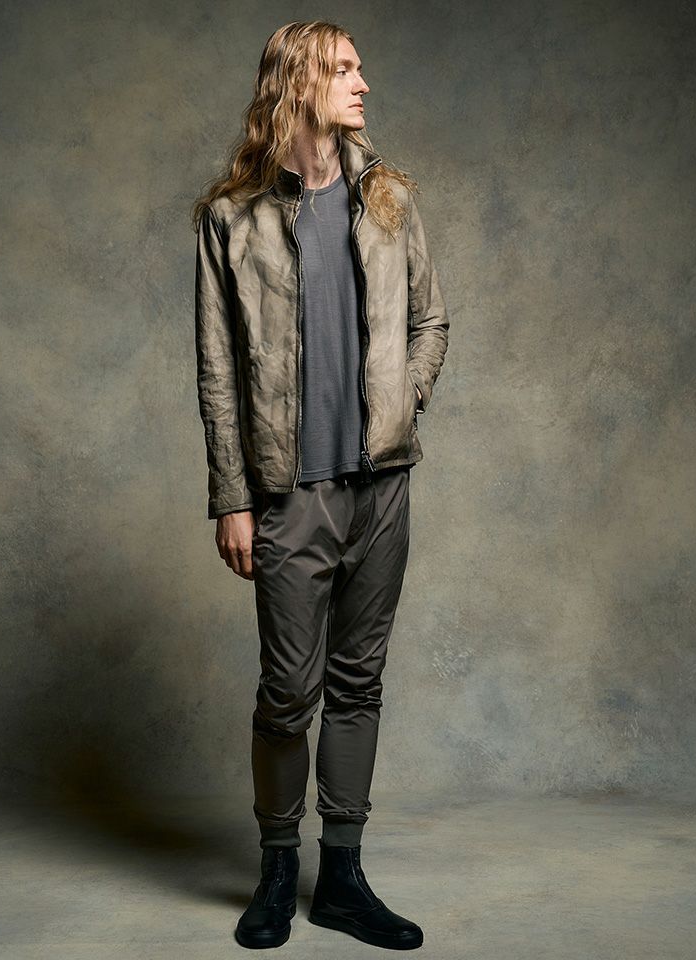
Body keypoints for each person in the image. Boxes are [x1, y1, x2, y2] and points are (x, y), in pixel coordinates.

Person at [192, 19, 449, 951]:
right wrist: (231, 496)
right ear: (297, 83)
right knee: (287, 690)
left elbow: (431, 322)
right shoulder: (232, 218)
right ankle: (275, 870)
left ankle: (341, 875)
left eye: (359, 68)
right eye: (344, 69)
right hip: (287, 492)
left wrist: (403, 406)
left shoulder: (389, 200)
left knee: (358, 682)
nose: (363, 84)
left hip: (381, 487)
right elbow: (218, 368)